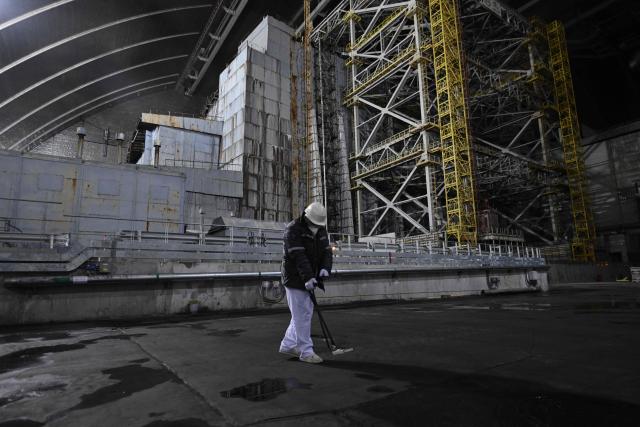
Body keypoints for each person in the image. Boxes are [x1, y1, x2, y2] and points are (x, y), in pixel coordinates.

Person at [279, 202, 333, 363]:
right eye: (313, 224)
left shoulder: (320, 229)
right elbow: (298, 256)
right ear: (306, 218)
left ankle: (288, 345)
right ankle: (306, 351)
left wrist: (325, 268)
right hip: (295, 277)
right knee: (302, 315)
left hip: (310, 276)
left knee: (302, 313)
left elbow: (326, 251)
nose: (316, 227)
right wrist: (308, 277)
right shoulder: (293, 229)